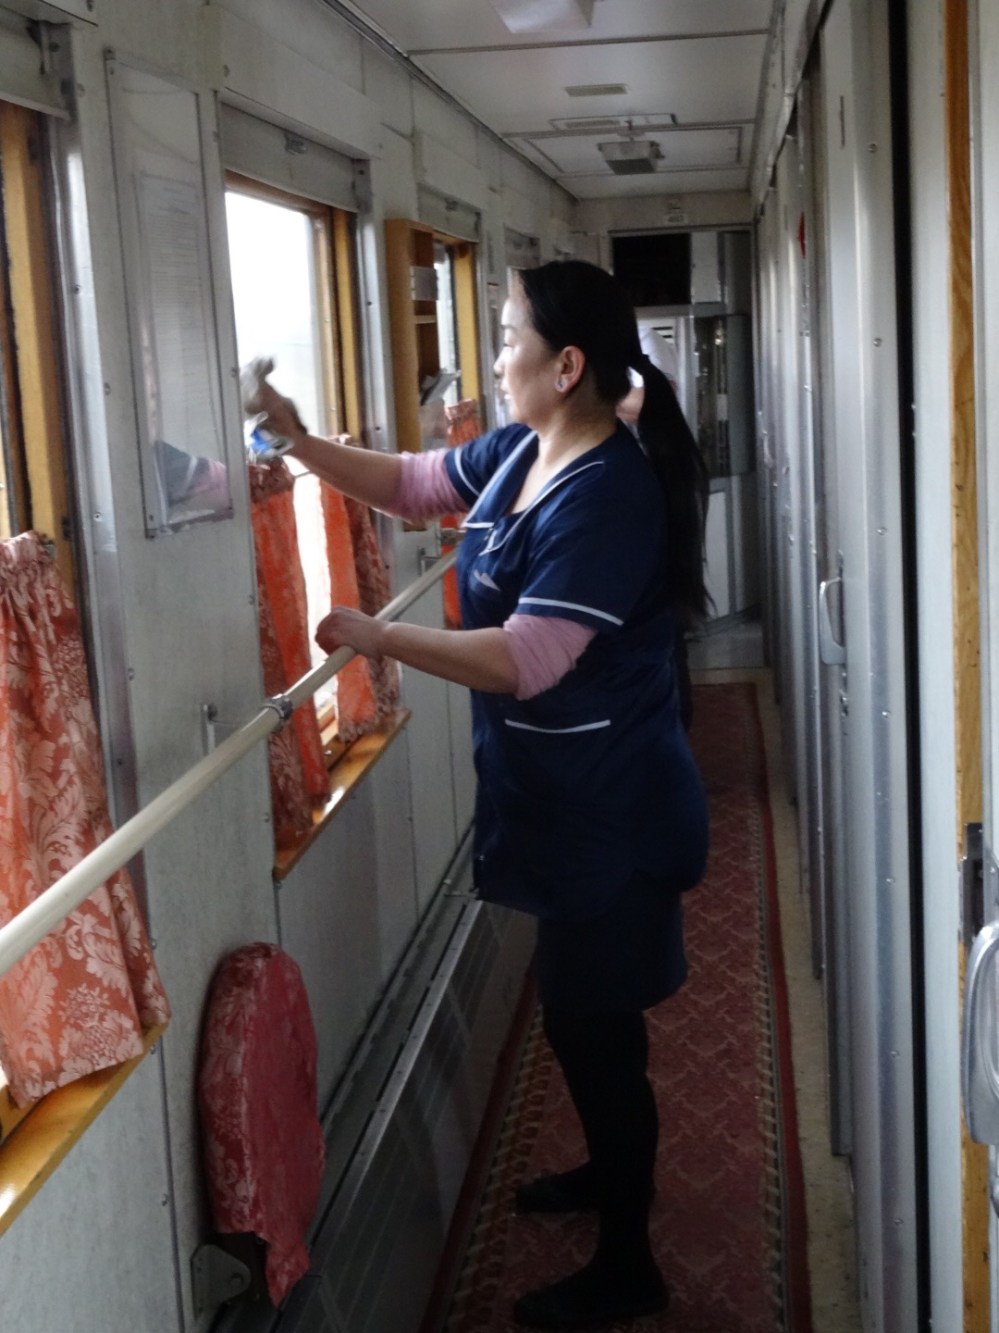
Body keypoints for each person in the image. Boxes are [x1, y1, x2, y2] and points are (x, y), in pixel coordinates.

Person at [253, 259, 710, 1330]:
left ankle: (629, 1261)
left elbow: (526, 658)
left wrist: (378, 637)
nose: (493, 359)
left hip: (615, 813)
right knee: (581, 1018)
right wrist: (297, 440)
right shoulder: (523, 450)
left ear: (567, 363)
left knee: (597, 1029)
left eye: (507, 338)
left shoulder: (608, 493)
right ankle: (609, 1174)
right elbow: (414, 484)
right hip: (560, 803)